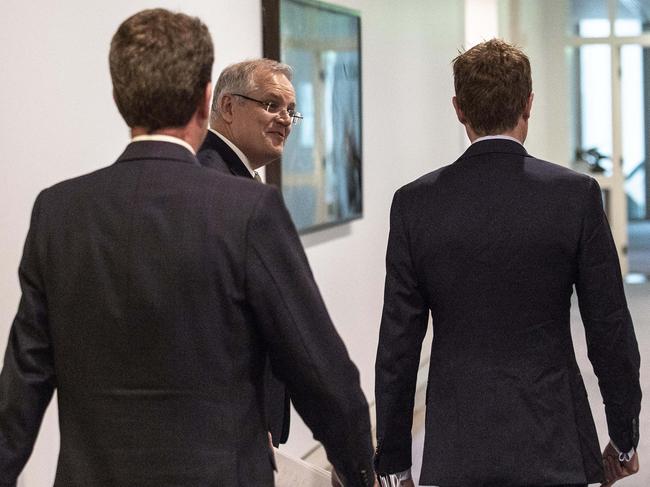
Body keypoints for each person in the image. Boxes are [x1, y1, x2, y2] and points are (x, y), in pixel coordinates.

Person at [0, 9, 375, 486]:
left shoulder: (58, 211)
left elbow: (22, 384)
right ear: (206, 100)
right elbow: (322, 374)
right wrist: (361, 472)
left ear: (120, 97)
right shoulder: (248, 211)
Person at [374, 38, 641, 487]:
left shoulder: (414, 204)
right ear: (529, 103)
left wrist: (395, 460)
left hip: (457, 444)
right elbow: (609, 328)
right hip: (554, 437)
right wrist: (624, 436)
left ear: (458, 109)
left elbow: (398, 347)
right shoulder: (574, 196)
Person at [198, 59, 299, 446]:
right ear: (227, 107)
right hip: (234, 423)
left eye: (290, 110)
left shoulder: (237, 182)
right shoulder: (220, 188)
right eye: (272, 105)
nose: (286, 120)